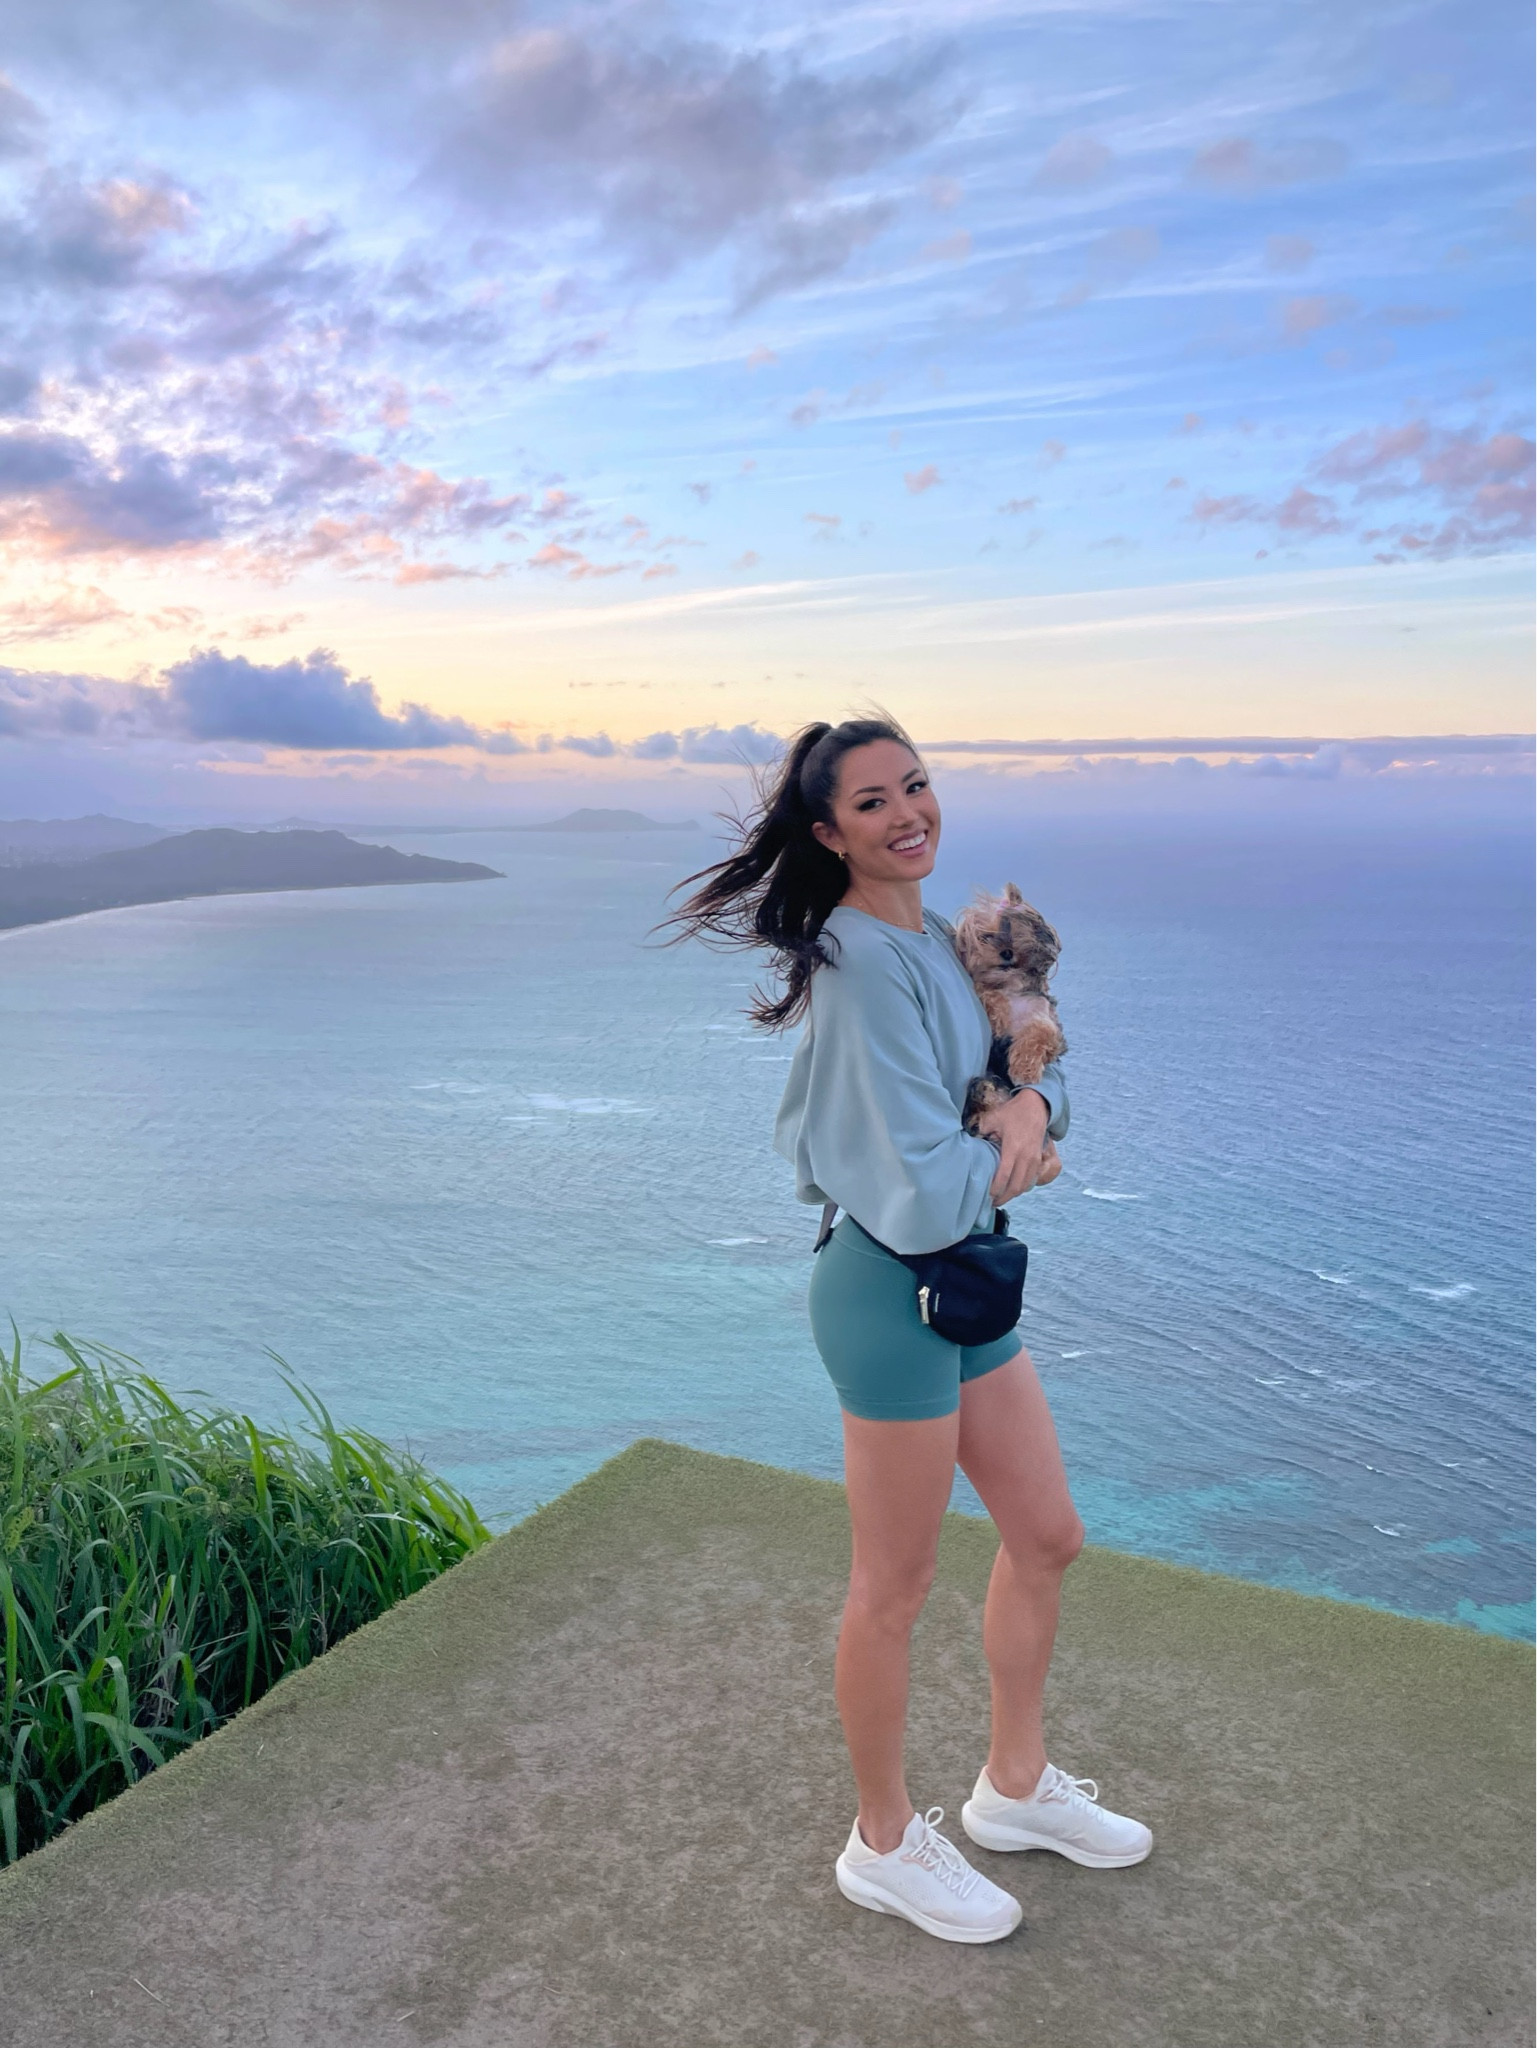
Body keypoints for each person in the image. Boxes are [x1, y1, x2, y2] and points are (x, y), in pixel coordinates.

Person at [669, 715, 1151, 1945]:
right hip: (888, 1286)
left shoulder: (938, 939)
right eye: (874, 800)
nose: (908, 813)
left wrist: (1030, 1105)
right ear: (829, 832)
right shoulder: (851, 957)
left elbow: (1031, 1087)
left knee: (1046, 1533)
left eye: (918, 786)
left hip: (965, 1279)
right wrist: (1020, 1144)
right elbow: (918, 1181)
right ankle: (880, 1840)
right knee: (895, 1582)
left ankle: (1015, 1786)